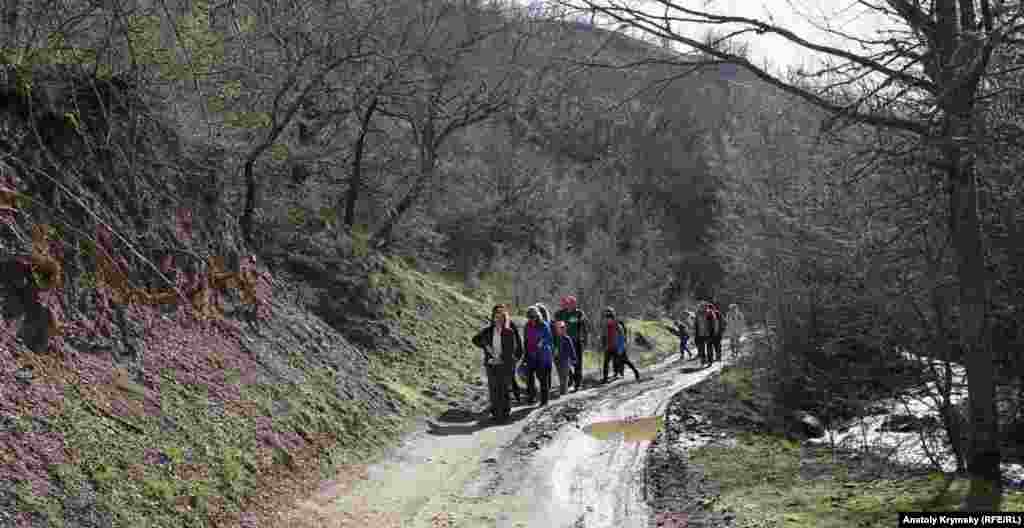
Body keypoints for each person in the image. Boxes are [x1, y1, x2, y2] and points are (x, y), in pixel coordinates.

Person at [471, 304, 524, 420]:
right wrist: (485, 346)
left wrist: (509, 359)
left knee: (504, 388)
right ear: (493, 317)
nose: (498, 318)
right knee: (493, 388)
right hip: (491, 364)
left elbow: (513, 348)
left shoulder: (509, 330)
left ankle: (505, 412)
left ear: (505, 317)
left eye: (501, 315)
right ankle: (495, 413)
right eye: (496, 315)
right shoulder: (488, 330)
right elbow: (475, 339)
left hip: (505, 363)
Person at [555, 296, 589, 391]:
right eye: (568, 303)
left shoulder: (579, 313)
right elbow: (557, 324)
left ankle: (577, 383)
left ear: (575, 304)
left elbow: (585, 326)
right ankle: (570, 379)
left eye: (572, 303)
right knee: (565, 362)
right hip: (565, 341)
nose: (569, 305)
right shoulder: (562, 313)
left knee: (577, 363)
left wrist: (585, 340)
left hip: (576, 341)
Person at [522, 305, 554, 406]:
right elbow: (526, 340)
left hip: (542, 355)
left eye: (533, 317)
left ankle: (544, 400)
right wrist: (526, 354)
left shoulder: (544, 325)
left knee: (542, 378)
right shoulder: (527, 326)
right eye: (529, 317)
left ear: (537, 316)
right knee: (529, 377)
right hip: (531, 354)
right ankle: (531, 397)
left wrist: (542, 342)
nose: (531, 319)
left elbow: (548, 338)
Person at [601, 307, 641, 383]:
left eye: (609, 318)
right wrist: (603, 345)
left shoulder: (617, 326)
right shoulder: (606, 326)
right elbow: (604, 336)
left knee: (625, 361)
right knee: (606, 363)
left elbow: (622, 338)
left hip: (618, 347)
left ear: (612, 317)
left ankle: (635, 371)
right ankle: (605, 378)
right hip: (609, 347)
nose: (607, 320)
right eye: (606, 318)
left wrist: (620, 349)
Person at [552, 321, 578, 397]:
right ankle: (563, 390)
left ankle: (564, 391)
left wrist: (573, 358)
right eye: (560, 328)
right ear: (556, 329)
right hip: (557, 360)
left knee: (565, 375)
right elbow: (553, 348)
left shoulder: (567, 338)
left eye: (563, 328)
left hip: (566, 360)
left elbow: (571, 349)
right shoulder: (555, 339)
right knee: (561, 376)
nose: (561, 329)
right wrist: (553, 354)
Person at [693, 301, 716, 367]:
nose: (701, 307)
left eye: (703, 306)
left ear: (706, 306)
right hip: (700, 333)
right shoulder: (697, 313)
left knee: (709, 348)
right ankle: (703, 361)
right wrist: (695, 331)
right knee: (701, 348)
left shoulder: (710, 313)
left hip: (708, 333)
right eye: (700, 306)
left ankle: (710, 361)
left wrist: (713, 332)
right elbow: (696, 323)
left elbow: (714, 323)